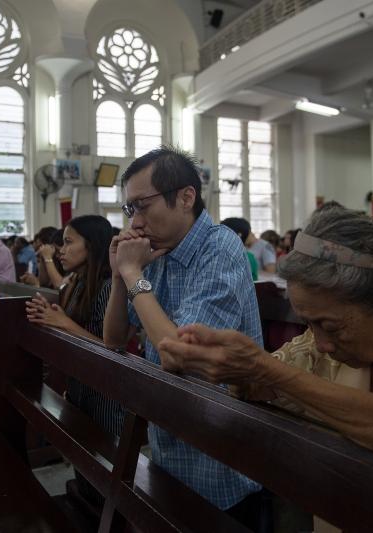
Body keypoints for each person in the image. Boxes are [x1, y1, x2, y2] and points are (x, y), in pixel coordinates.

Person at [158, 206, 373, 477]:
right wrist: (221, 362)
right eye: (310, 324)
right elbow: (262, 384)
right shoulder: (319, 347)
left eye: (331, 327)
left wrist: (263, 368)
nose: (321, 344)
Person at [103, 147, 265, 528]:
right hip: (170, 440)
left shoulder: (220, 247)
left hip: (221, 452)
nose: (136, 221)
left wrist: (132, 275)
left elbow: (178, 355)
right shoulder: (155, 255)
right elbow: (113, 339)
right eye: (130, 210)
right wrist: (117, 274)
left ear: (186, 197)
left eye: (142, 205)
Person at [25, 215, 123, 507]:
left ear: (91, 246)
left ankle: (105, 514)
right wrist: (52, 317)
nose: (60, 250)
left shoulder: (109, 287)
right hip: (81, 383)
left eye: (68, 242)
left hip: (107, 392)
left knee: (104, 462)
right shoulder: (78, 284)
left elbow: (114, 352)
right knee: (84, 457)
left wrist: (63, 322)